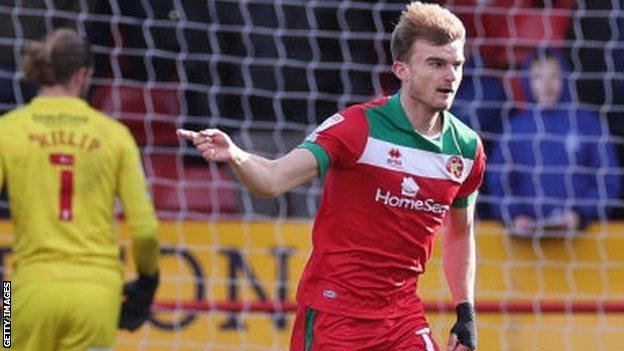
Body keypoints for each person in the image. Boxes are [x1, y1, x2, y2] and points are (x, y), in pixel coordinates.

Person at [179, 2, 484, 350]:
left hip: (402, 319)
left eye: (457, 65)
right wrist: (236, 155)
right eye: (436, 63)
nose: (451, 76)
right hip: (334, 317)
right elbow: (274, 180)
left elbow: (460, 232)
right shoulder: (357, 128)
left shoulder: (465, 148)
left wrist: (465, 312)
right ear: (402, 69)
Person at [0, 29, 160, 350]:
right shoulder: (114, 135)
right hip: (97, 293)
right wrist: (147, 283)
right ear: (82, 75)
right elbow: (145, 230)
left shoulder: (8, 130)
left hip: (28, 290)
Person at [487, 48, 621, 235]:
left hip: (583, 241)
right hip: (525, 245)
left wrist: (580, 215)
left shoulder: (588, 123)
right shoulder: (514, 129)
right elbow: (499, 182)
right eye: (538, 77)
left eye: (554, 76)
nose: (546, 84)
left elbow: (608, 179)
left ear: (565, 79)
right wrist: (514, 216)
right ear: (527, 81)